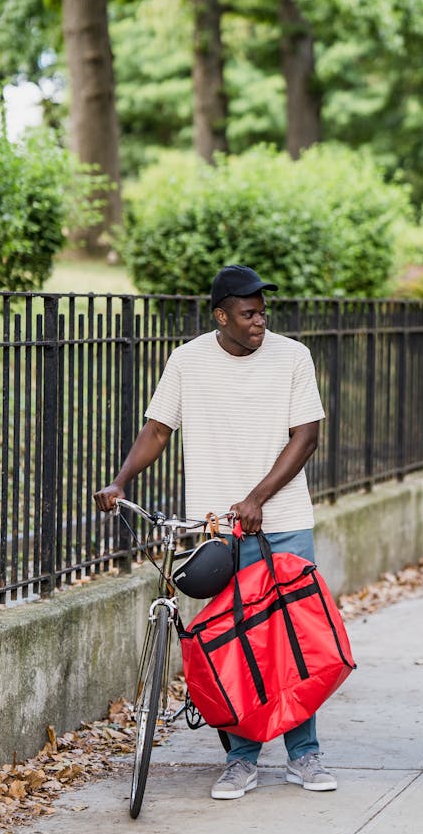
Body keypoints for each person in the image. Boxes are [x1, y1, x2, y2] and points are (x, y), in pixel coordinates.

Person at [93, 264, 337, 801]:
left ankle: (305, 754)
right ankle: (241, 759)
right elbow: (158, 429)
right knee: (235, 645)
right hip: (216, 533)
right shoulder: (188, 361)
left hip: (285, 523)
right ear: (221, 315)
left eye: (263, 311)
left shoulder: (293, 356)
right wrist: (120, 480)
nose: (259, 321)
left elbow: (307, 437)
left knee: (290, 641)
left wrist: (257, 499)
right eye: (248, 313)